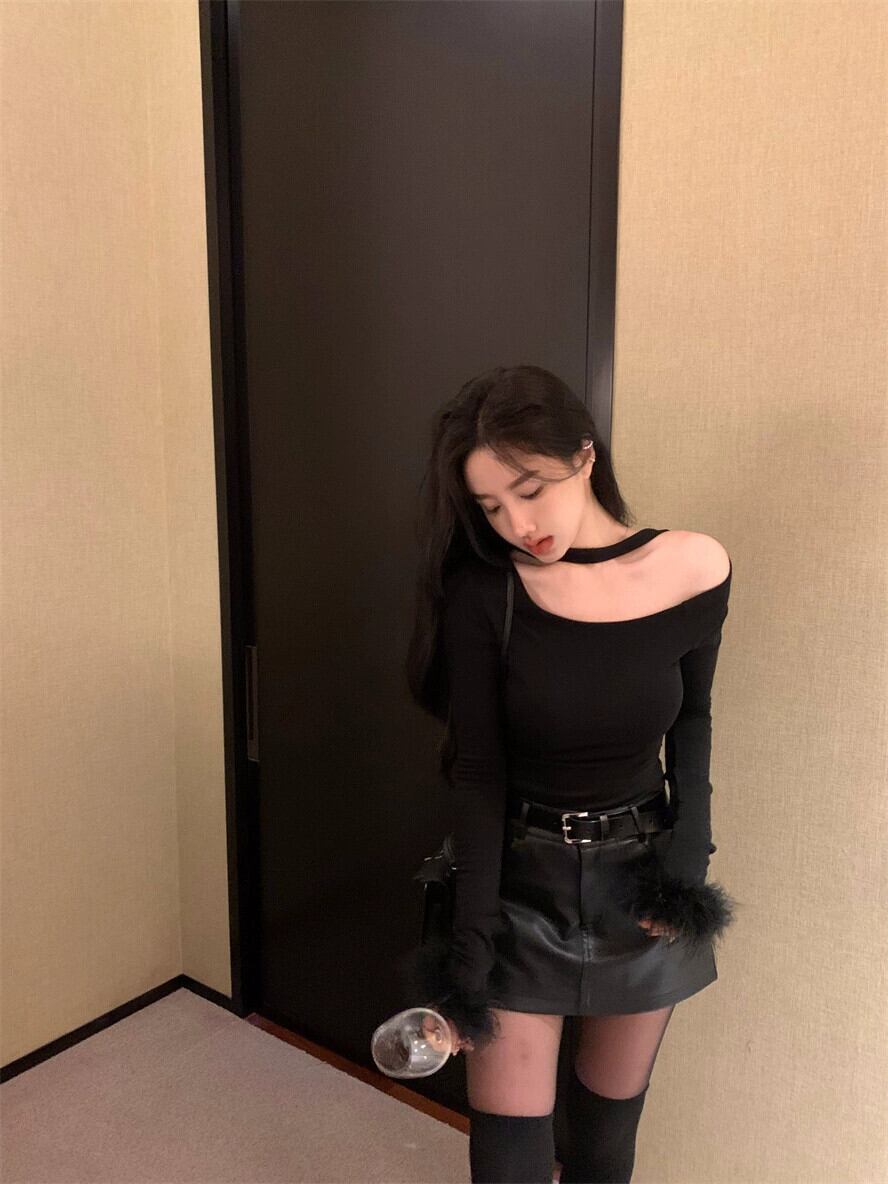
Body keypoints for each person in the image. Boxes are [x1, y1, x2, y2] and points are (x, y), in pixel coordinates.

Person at [404, 365, 737, 1183]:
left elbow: (693, 720)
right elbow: (479, 773)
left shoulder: (693, 566)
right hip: (522, 884)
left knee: (603, 1143)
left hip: (640, 883)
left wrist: (687, 861)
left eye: (529, 489)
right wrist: (472, 940)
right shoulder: (486, 593)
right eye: (491, 507)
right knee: (509, 1157)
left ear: (584, 454)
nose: (518, 524)